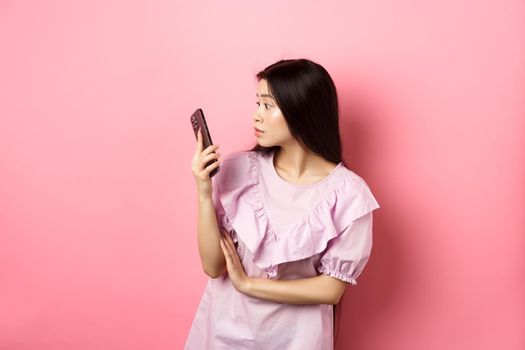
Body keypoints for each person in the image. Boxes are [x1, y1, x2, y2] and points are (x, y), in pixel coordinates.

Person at [186, 58, 380, 349]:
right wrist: (203, 191)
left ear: (301, 109)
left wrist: (248, 285)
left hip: (296, 341)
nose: (256, 116)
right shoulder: (240, 170)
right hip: (225, 333)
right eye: (257, 104)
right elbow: (213, 267)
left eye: (268, 105)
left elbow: (330, 290)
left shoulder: (349, 195)